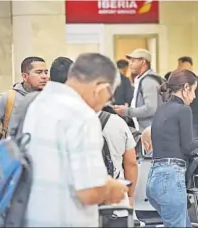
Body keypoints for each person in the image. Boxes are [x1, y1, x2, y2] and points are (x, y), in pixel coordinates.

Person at [22, 53, 128, 227]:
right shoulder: (82, 116)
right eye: (109, 97)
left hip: (33, 218)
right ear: (100, 88)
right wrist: (113, 189)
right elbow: (89, 192)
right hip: (67, 220)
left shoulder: (37, 103)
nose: (104, 104)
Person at [146, 69, 198, 227]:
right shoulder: (183, 110)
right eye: (194, 91)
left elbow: (178, 143)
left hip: (154, 178)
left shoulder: (162, 108)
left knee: (182, 225)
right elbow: (188, 147)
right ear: (186, 88)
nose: (195, 96)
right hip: (170, 179)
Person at [99, 110, 138, 228]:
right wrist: (130, 196)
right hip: (117, 204)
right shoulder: (117, 122)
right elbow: (131, 163)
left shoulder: (69, 121)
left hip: (81, 206)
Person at [114, 48, 162, 132]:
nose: (130, 64)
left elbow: (150, 108)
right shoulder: (142, 79)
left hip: (151, 130)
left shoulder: (148, 81)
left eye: (133, 61)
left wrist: (127, 111)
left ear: (143, 62)